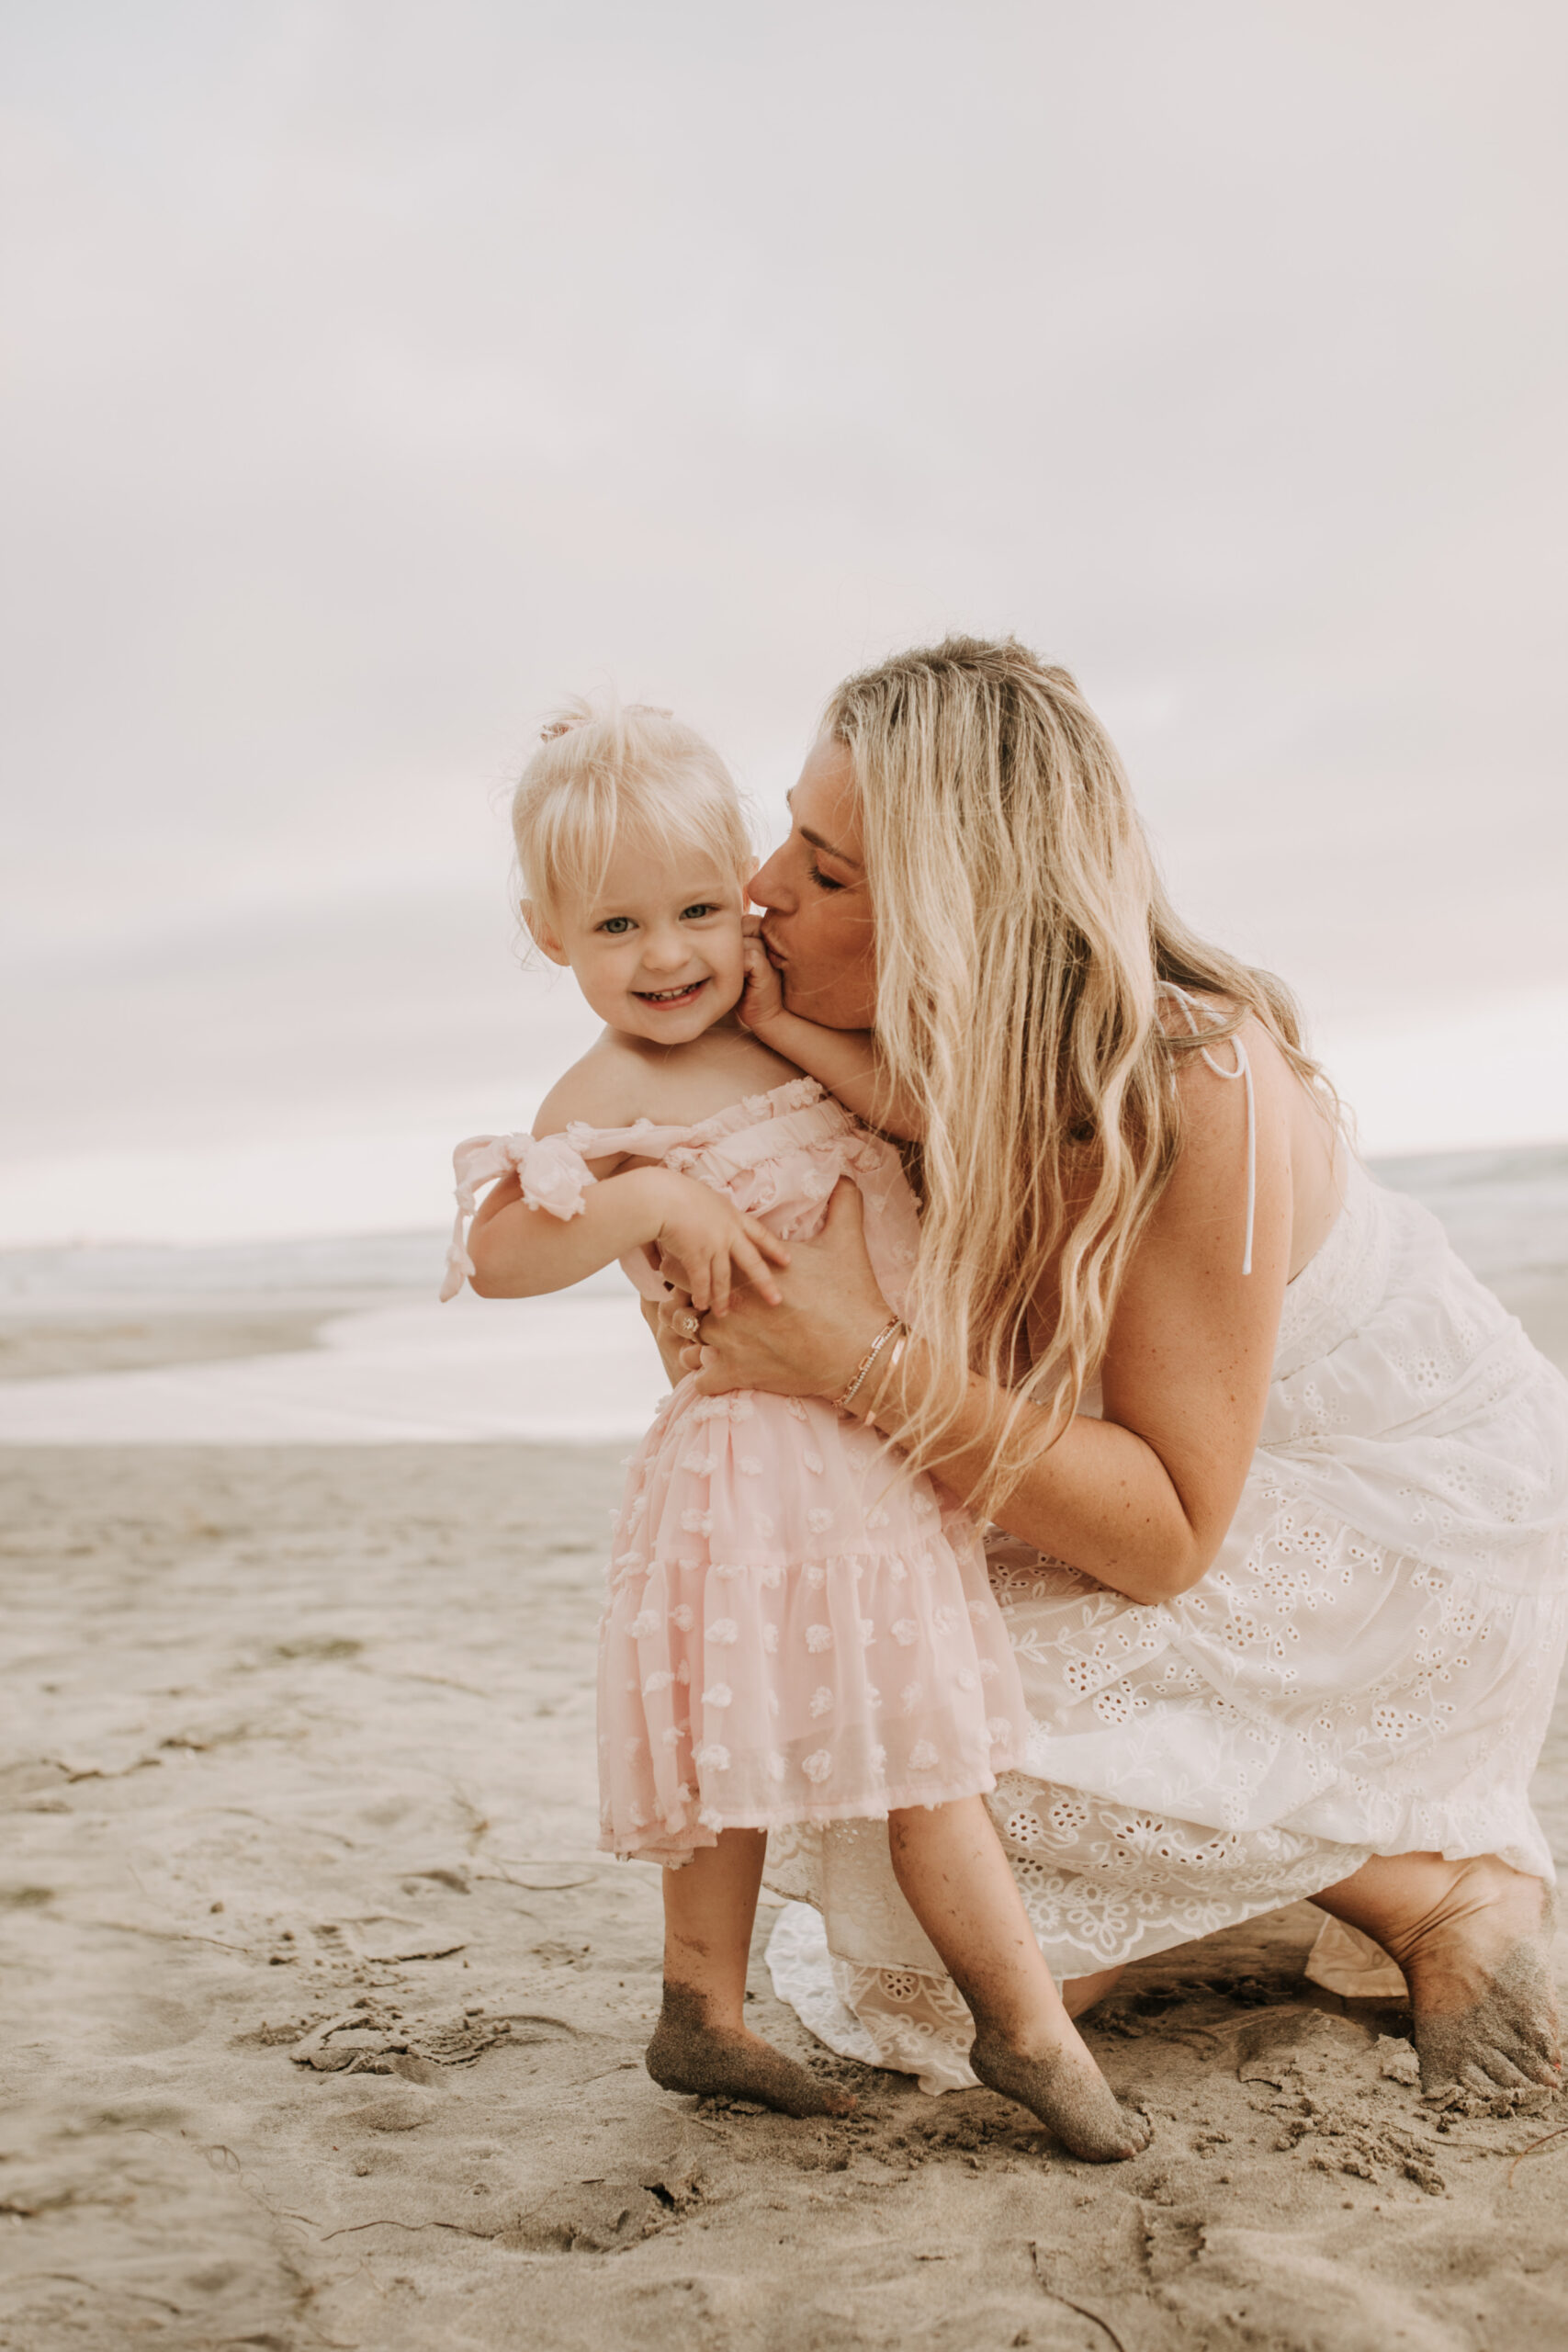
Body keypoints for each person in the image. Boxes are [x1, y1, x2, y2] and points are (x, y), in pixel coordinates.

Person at [657, 636, 1568, 2102]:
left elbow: (1164, 1539)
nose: (761, 887)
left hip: (1407, 1535)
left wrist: (849, 1354)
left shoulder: (1197, 1081)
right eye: (788, 833)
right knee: (886, 1773)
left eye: (828, 875)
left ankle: (1437, 1888)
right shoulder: (873, 1057)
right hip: (1199, 1508)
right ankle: (1244, 1871)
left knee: (940, 1759)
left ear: (965, 922)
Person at [443, 698, 1150, 2159]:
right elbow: (500, 1249)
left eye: (701, 909)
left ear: (744, 891)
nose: (669, 956)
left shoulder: (783, 1035)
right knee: (820, 1762)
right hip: (750, 1464)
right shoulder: (607, 1093)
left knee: (902, 1755)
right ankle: (997, 2033)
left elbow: (919, 1122)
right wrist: (647, 1199)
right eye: (617, 927)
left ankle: (790, 2018)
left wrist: (774, 1018)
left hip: (870, 1453)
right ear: (547, 933)